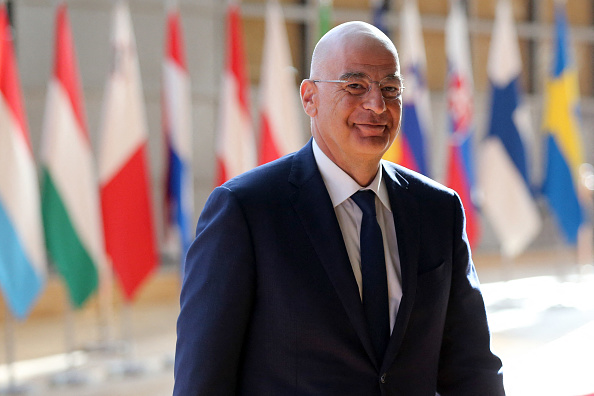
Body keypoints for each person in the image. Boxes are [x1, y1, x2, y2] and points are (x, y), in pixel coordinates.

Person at [174, 21, 505, 396]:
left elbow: (472, 366)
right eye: (355, 86)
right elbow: (202, 382)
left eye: (390, 88)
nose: (376, 104)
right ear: (309, 98)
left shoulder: (438, 210)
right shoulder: (245, 212)